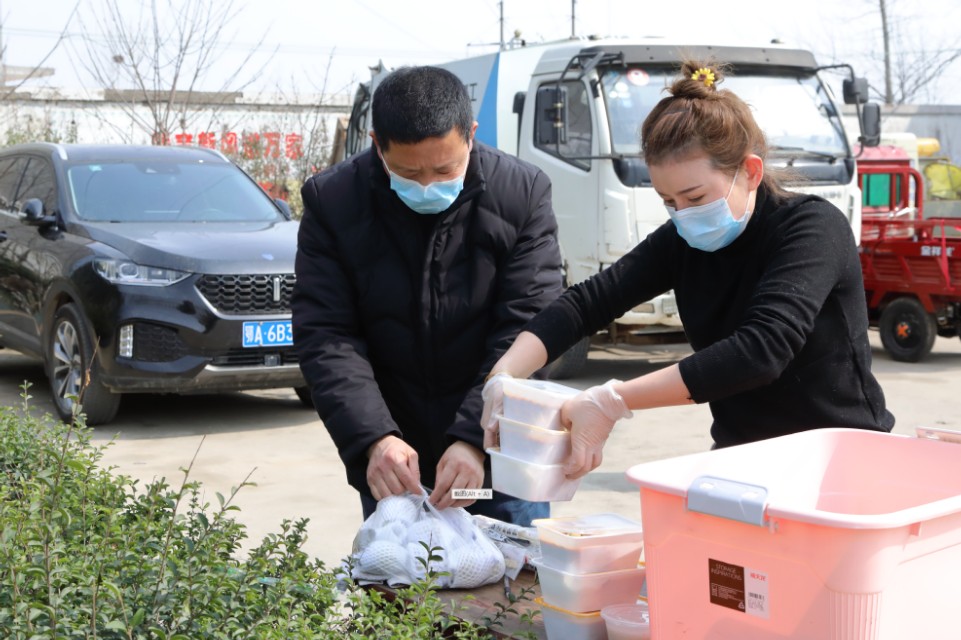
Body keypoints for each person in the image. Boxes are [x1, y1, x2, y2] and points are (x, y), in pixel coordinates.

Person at [481, 60, 895, 479]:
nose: (683, 215)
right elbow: (586, 303)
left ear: (749, 172)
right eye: (668, 201)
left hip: (839, 462)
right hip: (743, 460)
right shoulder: (682, 240)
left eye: (695, 197)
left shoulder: (811, 228)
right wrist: (504, 374)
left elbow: (761, 349)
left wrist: (612, 400)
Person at [292, 65, 563, 525]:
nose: (426, 185)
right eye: (407, 171)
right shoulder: (334, 202)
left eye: (445, 168)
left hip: (503, 449)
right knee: (402, 584)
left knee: (516, 589)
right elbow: (327, 334)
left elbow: (527, 325)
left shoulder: (520, 194)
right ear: (377, 144)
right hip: (397, 458)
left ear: (471, 134)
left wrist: (476, 437)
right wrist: (374, 438)